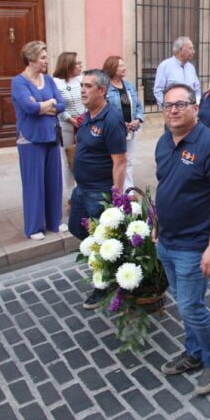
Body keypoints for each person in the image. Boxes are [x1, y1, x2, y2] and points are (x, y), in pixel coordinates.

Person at [155, 83, 210, 396]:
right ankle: (194, 352)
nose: (173, 110)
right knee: (183, 302)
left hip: (193, 245)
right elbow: (166, 185)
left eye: (181, 104)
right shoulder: (164, 141)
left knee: (191, 307)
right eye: (168, 105)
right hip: (166, 240)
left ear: (195, 108)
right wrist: (158, 223)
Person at [68, 69, 127, 310]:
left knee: (101, 240)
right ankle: (112, 265)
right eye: (82, 85)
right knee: (76, 227)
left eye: (88, 86)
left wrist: (116, 196)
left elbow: (120, 162)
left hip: (100, 192)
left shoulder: (111, 120)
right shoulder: (89, 115)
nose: (82, 90)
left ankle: (103, 286)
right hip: (82, 188)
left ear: (102, 91)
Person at [11, 41, 67, 240]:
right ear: (31, 58)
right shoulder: (19, 82)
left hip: (51, 135)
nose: (46, 61)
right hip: (30, 138)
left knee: (54, 180)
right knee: (33, 183)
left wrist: (45, 104)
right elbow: (28, 107)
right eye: (43, 57)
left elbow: (62, 104)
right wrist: (48, 104)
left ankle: (54, 221)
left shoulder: (49, 80)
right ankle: (34, 227)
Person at [103, 55, 143, 191]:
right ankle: (114, 189)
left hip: (131, 130)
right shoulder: (105, 88)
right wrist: (120, 123)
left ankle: (128, 190)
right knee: (115, 161)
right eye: (120, 66)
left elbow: (138, 105)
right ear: (112, 68)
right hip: (115, 131)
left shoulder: (129, 86)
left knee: (128, 161)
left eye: (123, 65)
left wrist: (137, 119)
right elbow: (104, 109)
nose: (124, 68)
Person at [52, 52, 84, 192]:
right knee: (68, 160)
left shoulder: (82, 80)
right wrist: (71, 119)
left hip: (84, 122)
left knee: (83, 157)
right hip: (67, 125)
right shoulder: (55, 83)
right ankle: (71, 195)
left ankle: (83, 190)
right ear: (68, 65)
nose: (80, 65)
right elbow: (57, 105)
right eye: (76, 63)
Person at [153, 37, 201, 106]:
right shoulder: (165, 66)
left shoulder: (191, 67)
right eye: (190, 48)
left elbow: (197, 89)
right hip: (173, 111)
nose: (193, 51)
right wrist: (167, 107)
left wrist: (197, 103)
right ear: (181, 49)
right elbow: (158, 91)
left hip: (190, 110)